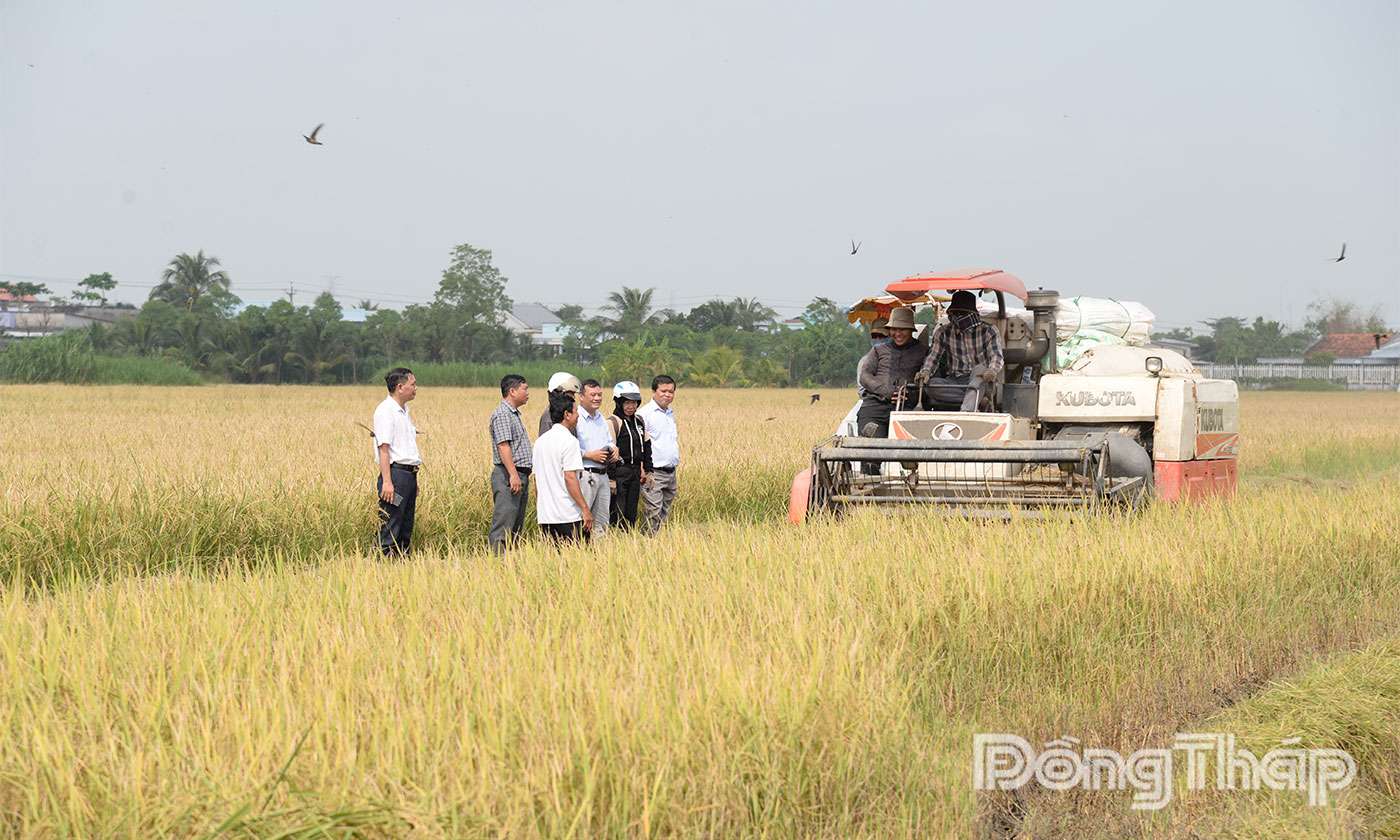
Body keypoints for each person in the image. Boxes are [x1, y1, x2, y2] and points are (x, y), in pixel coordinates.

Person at [914, 290, 1004, 412]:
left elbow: (997, 356)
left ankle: (965, 412)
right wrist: (925, 373)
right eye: (955, 313)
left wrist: (992, 370)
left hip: (983, 380)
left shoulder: (989, 330)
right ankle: (979, 399)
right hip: (956, 381)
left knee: (979, 370)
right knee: (931, 386)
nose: (958, 317)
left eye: (962, 313)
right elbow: (932, 357)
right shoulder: (943, 332)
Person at [856, 307, 929, 442]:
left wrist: (910, 394)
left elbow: (931, 380)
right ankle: (870, 449)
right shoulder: (878, 349)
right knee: (870, 450)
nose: (898, 333)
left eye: (903, 329)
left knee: (908, 451)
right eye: (894, 329)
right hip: (875, 406)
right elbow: (865, 376)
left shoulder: (923, 351)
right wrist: (886, 391)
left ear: (911, 330)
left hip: (907, 409)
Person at [372, 367, 421, 556]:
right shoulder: (386, 411)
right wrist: (387, 482)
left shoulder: (404, 411)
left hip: (408, 476)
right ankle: (383, 564)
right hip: (395, 476)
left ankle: (402, 565)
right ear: (400, 387)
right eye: (413, 384)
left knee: (406, 524)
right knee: (391, 523)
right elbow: (384, 449)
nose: (416, 388)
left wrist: (413, 479)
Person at [534, 390, 594, 543]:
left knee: (555, 560)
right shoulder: (569, 441)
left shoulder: (540, 442)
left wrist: (541, 505)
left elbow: (536, 480)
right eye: (575, 412)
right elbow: (570, 477)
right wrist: (585, 508)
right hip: (568, 514)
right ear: (567, 414)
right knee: (580, 560)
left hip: (546, 516)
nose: (578, 416)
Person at [488, 373, 533, 553]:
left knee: (515, 526)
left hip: (518, 475)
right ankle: (497, 563)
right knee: (504, 524)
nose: (528, 392)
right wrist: (513, 475)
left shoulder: (513, 414)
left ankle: (511, 564)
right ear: (512, 391)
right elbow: (503, 446)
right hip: (508, 476)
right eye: (525, 388)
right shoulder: (503, 414)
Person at [574, 378, 618, 537]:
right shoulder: (575, 417)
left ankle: (599, 555)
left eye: (599, 394)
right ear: (581, 396)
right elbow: (568, 448)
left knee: (602, 521)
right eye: (592, 395)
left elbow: (609, 441)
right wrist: (590, 455)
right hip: (585, 474)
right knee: (582, 519)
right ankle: (579, 553)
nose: (597, 398)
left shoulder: (601, 418)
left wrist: (614, 449)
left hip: (603, 475)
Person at [606, 380, 652, 530]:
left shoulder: (639, 421)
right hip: (620, 472)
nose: (631, 406)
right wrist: (612, 479)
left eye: (634, 402)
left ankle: (629, 541)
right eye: (627, 402)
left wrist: (649, 471)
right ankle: (616, 542)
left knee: (631, 512)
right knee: (617, 512)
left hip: (635, 472)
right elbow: (610, 452)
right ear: (619, 402)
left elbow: (646, 447)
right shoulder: (613, 422)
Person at [637, 374, 679, 533]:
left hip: (670, 472)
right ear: (653, 392)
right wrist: (643, 469)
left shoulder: (669, 413)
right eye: (663, 391)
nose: (667, 395)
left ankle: (658, 544)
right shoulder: (644, 414)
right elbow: (638, 444)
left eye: (671, 391)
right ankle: (646, 542)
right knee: (653, 510)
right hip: (653, 472)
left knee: (664, 511)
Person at [856, 317, 891, 402]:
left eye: (882, 336)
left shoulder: (898, 357)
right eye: (874, 336)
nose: (878, 339)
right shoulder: (864, 361)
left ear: (890, 336)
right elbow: (862, 391)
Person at [539, 371, 582, 436]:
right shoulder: (548, 417)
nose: (574, 397)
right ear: (559, 393)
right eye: (571, 393)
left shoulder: (569, 415)